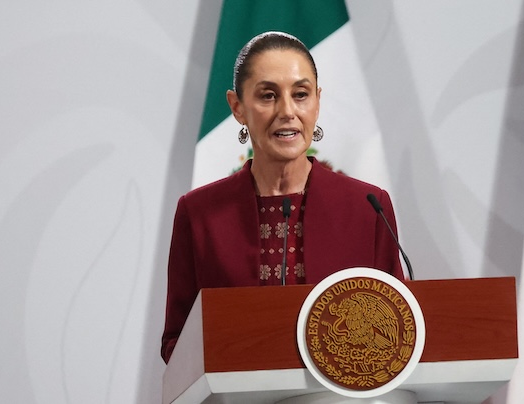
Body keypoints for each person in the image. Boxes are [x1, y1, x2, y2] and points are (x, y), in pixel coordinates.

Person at [161, 31, 405, 363]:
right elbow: (176, 343)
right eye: (268, 96)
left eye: (301, 94)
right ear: (237, 107)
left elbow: (397, 327)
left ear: (317, 101)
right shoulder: (199, 213)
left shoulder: (368, 207)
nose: (288, 111)